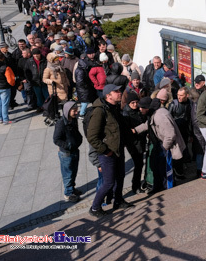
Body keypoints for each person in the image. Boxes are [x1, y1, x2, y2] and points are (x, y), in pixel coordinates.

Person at [87, 84, 133, 218]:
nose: (120, 93)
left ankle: (118, 201)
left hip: (118, 150)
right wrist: (106, 151)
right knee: (108, 182)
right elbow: (92, 137)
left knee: (120, 177)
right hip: (108, 153)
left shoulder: (114, 107)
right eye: (116, 91)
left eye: (119, 91)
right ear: (108, 96)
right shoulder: (100, 111)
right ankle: (95, 208)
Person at [53, 101, 83, 202]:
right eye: (74, 110)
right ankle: (68, 193)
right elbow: (56, 139)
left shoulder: (73, 120)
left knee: (73, 172)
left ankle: (72, 189)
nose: (76, 112)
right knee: (68, 174)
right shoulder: (61, 123)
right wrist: (68, 145)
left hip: (75, 150)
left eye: (76, 110)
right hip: (66, 153)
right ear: (68, 111)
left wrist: (79, 139)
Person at [122, 92, 147, 194]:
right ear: (128, 103)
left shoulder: (139, 110)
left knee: (140, 164)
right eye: (133, 102)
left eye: (136, 102)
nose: (135, 104)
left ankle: (137, 184)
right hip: (133, 143)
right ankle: (135, 186)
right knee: (138, 164)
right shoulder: (126, 114)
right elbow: (127, 130)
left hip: (141, 140)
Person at [168, 86, 192, 179]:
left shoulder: (190, 104)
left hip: (185, 132)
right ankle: (178, 172)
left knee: (183, 150)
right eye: (178, 95)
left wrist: (190, 134)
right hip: (176, 133)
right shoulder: (173, 104)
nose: (179, 97)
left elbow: (190, 120)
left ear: (187, 95)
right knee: (177, 153)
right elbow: (168, 119)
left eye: (181, 95)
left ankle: (180, 169)